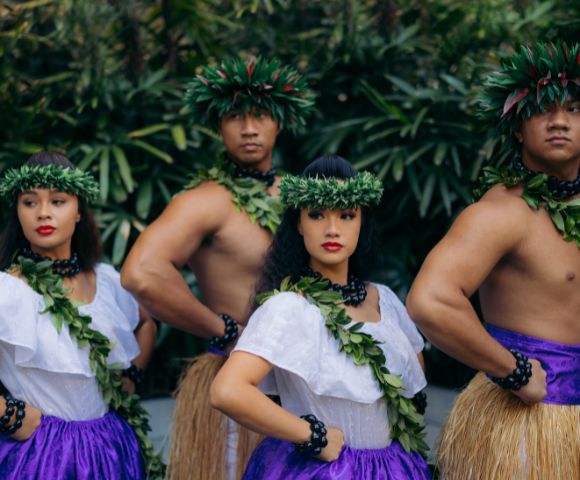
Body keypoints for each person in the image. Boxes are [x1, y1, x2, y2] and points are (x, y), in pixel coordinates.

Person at [121, 56, 315, 480]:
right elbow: (141, 273)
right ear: (217, 126)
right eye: (234, 117)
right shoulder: (204, 202)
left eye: (260, 115)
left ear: (280, 122)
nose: (249, 127)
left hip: (308, 377)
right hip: (237, 381)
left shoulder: (306, 199)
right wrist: (222, 329)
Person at [406, 40, 579, 480]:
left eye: (574, 109)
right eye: (544, 110)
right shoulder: (501, 214)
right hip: (529, 429)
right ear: (518, 128)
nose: (560, 121)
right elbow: (431, 301)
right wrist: (514, 371)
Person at [210, 155, 431, 479]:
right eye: (316, 215)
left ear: (362, 222)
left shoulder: (386, 300)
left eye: (346, 215)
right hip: (321, 471)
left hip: (392, 468)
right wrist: (311, 435)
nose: (332, 229)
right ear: (299, 224)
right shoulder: (288, 308)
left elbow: (413, 387)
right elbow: (227, 391)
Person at [0, 151, 162, 479]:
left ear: (77, 211)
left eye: (57, 201)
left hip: (111, 447)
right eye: (29, 202)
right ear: (17, 212)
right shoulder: (7, 290)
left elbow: (146, 322)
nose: (43, 213)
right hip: (41, 454)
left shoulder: (106, 279)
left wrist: (132, 377)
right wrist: (11, 415)